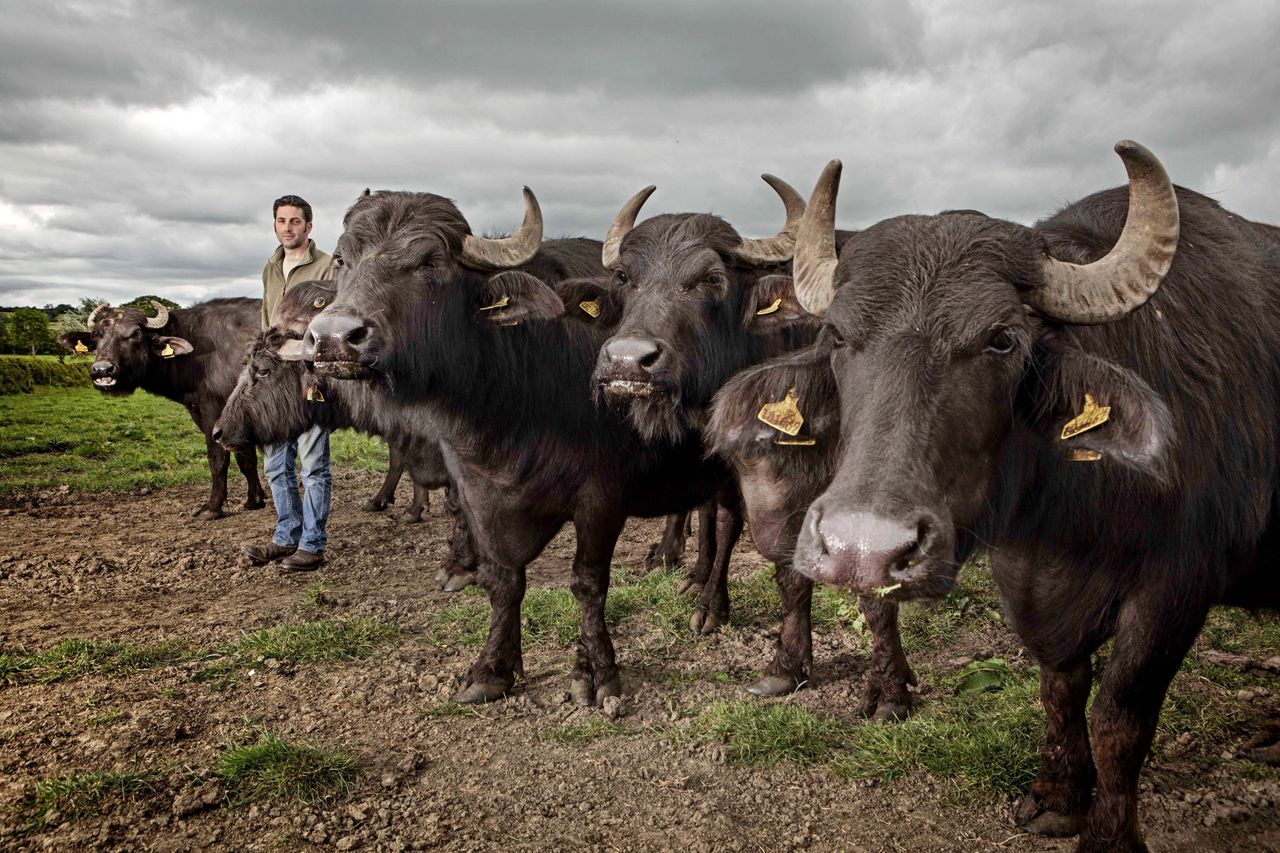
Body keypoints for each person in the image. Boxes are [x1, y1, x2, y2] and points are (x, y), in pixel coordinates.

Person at [243, 195, 335, 571]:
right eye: (281, 221)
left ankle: (312, 545)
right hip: (275, 376)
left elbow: (333, 319)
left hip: (309, 373)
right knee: (276, 465)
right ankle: (286, 537)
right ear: (275, 225)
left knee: (313, 464)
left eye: (295, 221)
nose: (287, 227)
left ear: (308, 227)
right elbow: (267, 320)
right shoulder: (271, 267)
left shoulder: (329, 266)